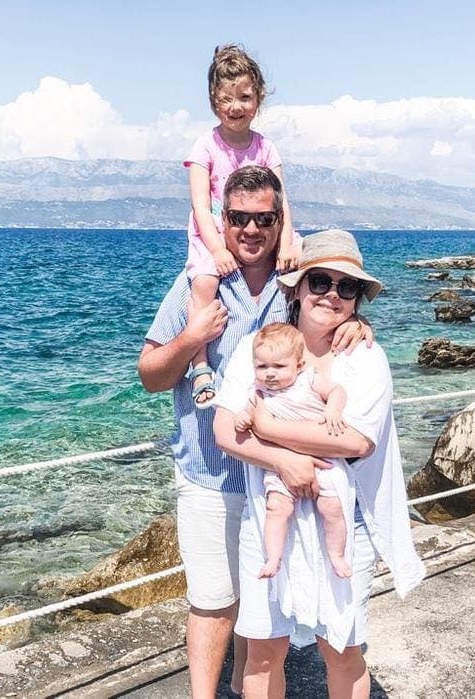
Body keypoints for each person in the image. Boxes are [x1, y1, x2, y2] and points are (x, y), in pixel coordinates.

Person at [138, 166, 368, 698]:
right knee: (214, 602)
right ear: (222, 219)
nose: (250, 230)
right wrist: (189, 339)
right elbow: (150, 375)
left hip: (277, 484)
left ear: (279, 219)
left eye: (264, 218)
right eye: (238, 218)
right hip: (209, 472)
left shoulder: (293, 283)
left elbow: (327, 308)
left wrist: (354, 324)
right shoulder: (197, 285)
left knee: (259, 611)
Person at [213, 228, 425, 698]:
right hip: (270, 517)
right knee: (264, 649)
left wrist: (267, 429)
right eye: (320, 281)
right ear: (298, 286)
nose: (332, 294)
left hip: (345, 521)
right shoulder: (261, 350)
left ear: (356, 300)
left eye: (346, 287)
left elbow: (355, 441)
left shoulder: (364, 357)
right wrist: (283, 461)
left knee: (341, 648)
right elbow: (224, 432)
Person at [184, 44, 300, 410]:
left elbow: (283, 201)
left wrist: (285, 244)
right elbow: (201, 205)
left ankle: (299, 355)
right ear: (213, 101)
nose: (236, 107)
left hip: (265, 226)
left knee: (305, 266)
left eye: (245, 97)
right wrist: (217, 251)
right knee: (203, 284)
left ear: (259, 98)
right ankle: (200, 365)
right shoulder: (206, 146)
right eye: (227, 98)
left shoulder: (266, 147)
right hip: (212, 233)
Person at [233, 322, 353, 580]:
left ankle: (337, 554)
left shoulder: (308, 381)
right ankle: (273, 558)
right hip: (280, 464)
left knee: (332, 508)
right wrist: (243, 418)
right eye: (262, 367)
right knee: (276, 508)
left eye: (279, 366)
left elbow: (337, 391)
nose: (270, 374)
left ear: (299, 366)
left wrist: (332, 409)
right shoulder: (258, 392)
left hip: (322, 459)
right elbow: (246, 412)